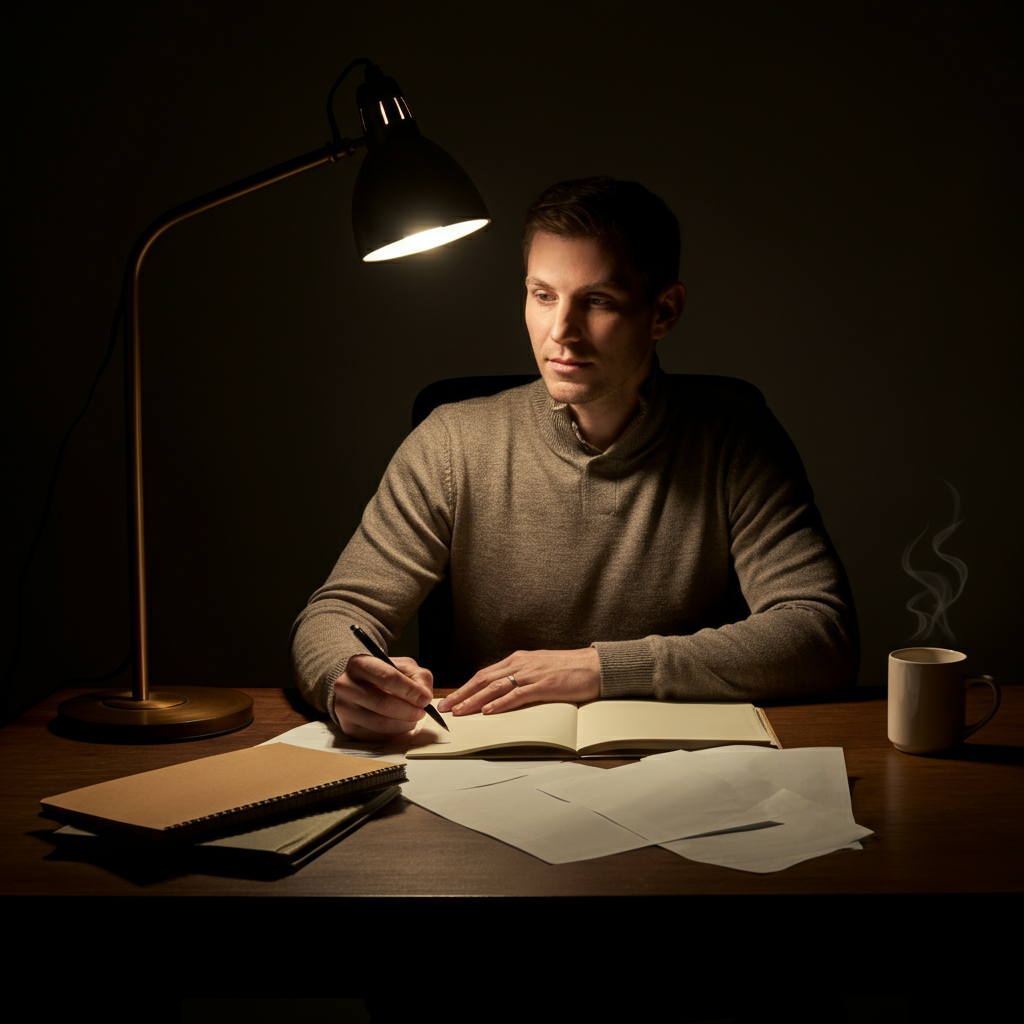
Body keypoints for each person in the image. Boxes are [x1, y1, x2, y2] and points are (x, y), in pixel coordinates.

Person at [289, 176, 858, 741]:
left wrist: (597, 667)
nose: (561, 331)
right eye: (543, 295)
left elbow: (820, 633)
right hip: (488, 767)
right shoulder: (452, 442)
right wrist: (346, 677)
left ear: (664, 311)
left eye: (597, 301)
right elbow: (335, 615)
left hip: (678, 771)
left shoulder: (737, 441)